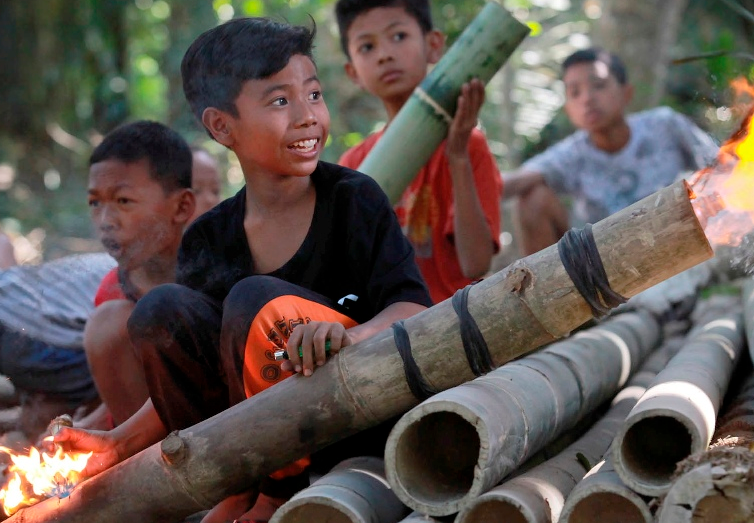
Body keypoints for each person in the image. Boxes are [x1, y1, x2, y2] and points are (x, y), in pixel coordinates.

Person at [56, 17, 431, 523]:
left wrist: (355, 336)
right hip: (249, 445)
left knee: (257, 301)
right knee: (160, 310)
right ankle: (230, 485)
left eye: (314, 94)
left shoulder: (353, 200)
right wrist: (117, 444)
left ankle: (272, 494)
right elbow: (196, 367)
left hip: (352, 415)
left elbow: (411, 305)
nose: (307, 116)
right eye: (280, 101)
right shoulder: (212, 236)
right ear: (221, 126)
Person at [335, 0, 503, 303]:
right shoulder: (354, 164)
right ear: (353, 73)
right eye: (367, 47)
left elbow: (476, 264)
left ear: (433, 45)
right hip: (386, 329)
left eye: (398, 36)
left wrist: (458, 158)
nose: (385, 55)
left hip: (455, 318)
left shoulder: (468, 146)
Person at [503, 48, 718, 255]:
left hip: (686, 242)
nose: (587, 99)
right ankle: (549, 291)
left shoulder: (665, 125)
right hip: (609, 267)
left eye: (598, 85)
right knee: (532, 198)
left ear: (626, 93)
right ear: (568, 110)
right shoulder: (571, 155)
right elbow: (516, 181)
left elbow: (721, 165)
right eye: (575, 92)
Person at [81, 125, 219, 429]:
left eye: (123, 201)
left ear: (182, 207)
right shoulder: (113, 291)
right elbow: (120, 397)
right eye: (95, 203)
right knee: (108, 324)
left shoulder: (216, 271)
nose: (105, 222)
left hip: (225, 423)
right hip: (156, 441)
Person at [0, 232, 116, 439]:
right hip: (45, 348)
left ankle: (40, 410)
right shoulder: (147, 274)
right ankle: (44, 417)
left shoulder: (108, 261)